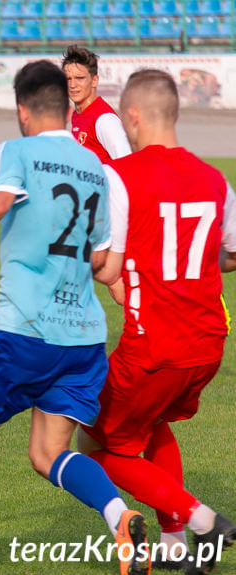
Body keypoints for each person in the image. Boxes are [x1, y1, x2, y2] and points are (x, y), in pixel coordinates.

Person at [0, 61, 149, 575]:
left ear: (22, 110)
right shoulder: (97, 170)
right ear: (65, 104)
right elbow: (104, 264)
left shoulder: (16, 150)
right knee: (47, 453)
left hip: (23, 333)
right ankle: (120, 518)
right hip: (83, 341)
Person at [77, 69, 236, 573]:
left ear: (132, 116)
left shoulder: (122, 177)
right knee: (154, 423)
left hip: (154, 346)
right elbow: (231, 255)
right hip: (208, 343)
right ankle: (172, 545)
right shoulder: (216, 179)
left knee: (88, 441)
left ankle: (201, 519)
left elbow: (105, 263)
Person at [62, 45, 132, 163]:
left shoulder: (105, 120)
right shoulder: (77, 114)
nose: (72, 85)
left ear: (94, 80)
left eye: (80, 78)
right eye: (68, 79)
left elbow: (127, 164)